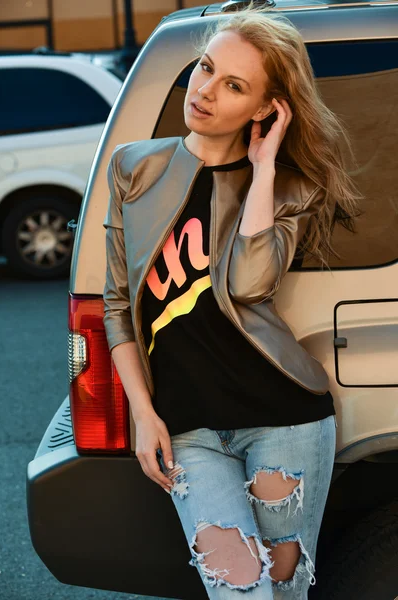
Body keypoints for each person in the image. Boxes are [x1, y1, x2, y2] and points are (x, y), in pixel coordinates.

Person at [102, 2, 362, 598]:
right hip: (188, 431)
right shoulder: (134, 170)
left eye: (234, 85)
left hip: (284, 422)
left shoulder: (290, 189)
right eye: (205, 68)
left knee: (288, 588)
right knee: (238, 590)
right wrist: (144, 416)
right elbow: (118, 304)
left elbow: (248, 285)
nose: (205, 91)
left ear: (266, 109)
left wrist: (264, 164)